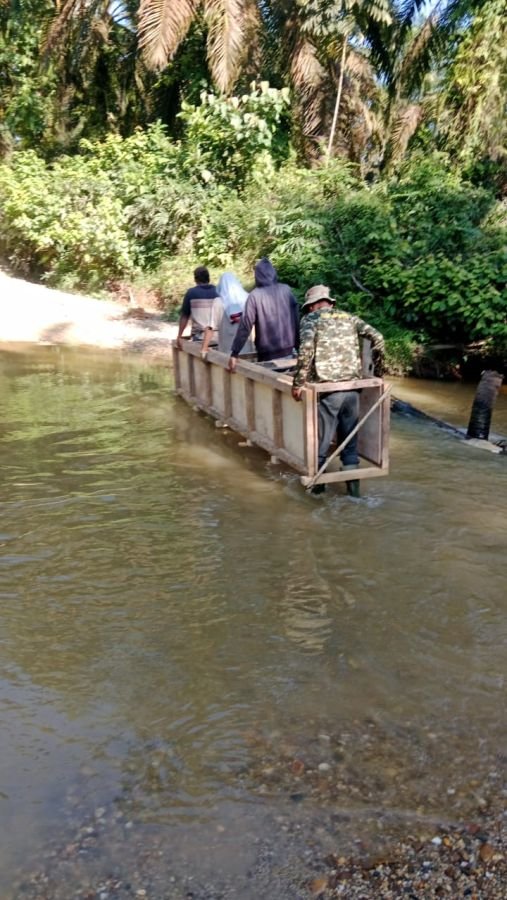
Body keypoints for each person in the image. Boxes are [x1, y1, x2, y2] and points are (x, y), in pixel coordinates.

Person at [291, 285, 384, 496]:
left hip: (328, 390)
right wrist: (379, 373)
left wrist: (298, 384)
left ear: (313, 305)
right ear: (330, 302)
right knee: (349, 444)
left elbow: (305, 351)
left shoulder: (311, 320)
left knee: (321, 442)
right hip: (352, 389)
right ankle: (354, 495)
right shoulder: (350, 318)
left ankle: (316, 492)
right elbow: (378, 338)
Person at [228, 258, 299, 371]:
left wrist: (235, 353)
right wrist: (298, 347)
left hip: (267, 354)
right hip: (288, 351)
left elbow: (245, 326)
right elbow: (296, 320)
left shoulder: (255, 296)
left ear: (257, 276)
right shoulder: (286, 290)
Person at [202, 272, 255, 356]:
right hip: (247, 351)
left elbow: (210, 328)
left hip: (226, 352)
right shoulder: (248, 299)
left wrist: (204, 349)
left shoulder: (218, 302)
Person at [176, 266, 219, 349]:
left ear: (195, 279)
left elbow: (184, 316)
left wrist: (179, 336)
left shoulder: (191, 293)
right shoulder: (218, 291)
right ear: (208, 278)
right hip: (218, 337)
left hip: (199, 337)